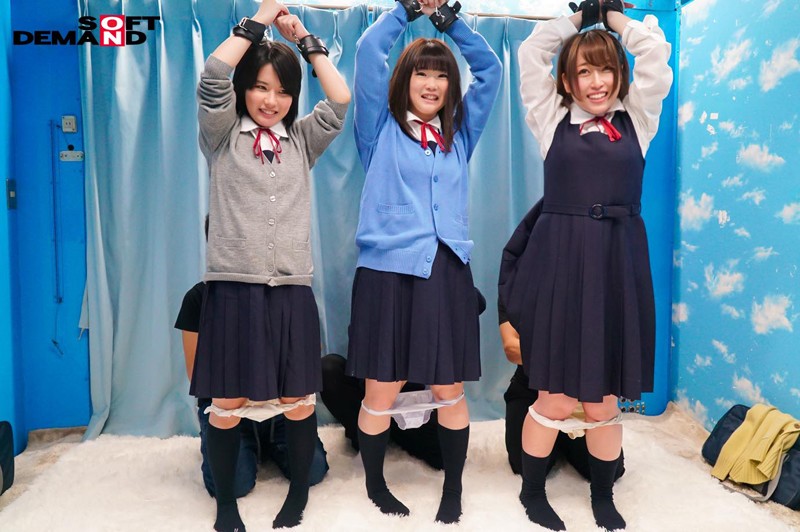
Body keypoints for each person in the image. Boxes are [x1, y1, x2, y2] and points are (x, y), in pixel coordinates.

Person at [503, 0, 672, 529]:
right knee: (553, 399)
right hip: (560, 266)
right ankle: (532, 494)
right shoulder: (550, 119)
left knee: (602, 403)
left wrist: (615, 18)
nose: (596, 83)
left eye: (605, 70)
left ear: (619, 74)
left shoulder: (639, 118)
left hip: (617, 264)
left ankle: (603, 497)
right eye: (583, 72)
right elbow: (532, 52)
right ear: (567, 81)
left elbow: (655, 53)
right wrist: (581, 18)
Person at [189, 0, 350, 529]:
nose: (271, 100)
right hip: (233, 290)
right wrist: (262, 17)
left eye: (282, 91)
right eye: (260, 87)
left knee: (298, 400)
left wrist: (304, 39)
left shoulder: (301, 140)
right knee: (227, 400)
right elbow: (214, 74)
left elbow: (340, 99)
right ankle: (226, 507)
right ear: (244, 90)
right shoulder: (221, 135)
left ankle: (297, 495)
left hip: (291, 291)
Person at [345, 0, 501, 524]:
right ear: (404, 80)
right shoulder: (379, 128)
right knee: (381, 389)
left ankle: (453, 488)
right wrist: (406, 10)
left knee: (449, 388)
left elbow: (491, 70)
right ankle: (375, 485)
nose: (432, 84)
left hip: (447, 273)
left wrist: (450, 23)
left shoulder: (460, 134)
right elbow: (369, 52)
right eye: (421, 73)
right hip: (386, 274)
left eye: (441, 75)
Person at [174, 276, 329, 502]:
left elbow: (308, 363)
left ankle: (266, 445)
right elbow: (196, 374)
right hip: (228, 409)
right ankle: (229, 443)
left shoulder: (289, 292)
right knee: (233, 485)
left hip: (281, 407)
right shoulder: (199, 297)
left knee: (313, 471)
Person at [320, 289, 487, 472]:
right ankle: (367, 435)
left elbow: (476, 301)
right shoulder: (374, 287)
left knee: (446, 456)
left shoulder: (428, 291)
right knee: (329, 369)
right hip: (370, 394)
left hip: (411, 405)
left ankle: (384, 434)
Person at [499, 297, 625, 481]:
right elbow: (512, 349)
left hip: (584, 394)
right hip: (531, 389)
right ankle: (554, 438)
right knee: (525, 467)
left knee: (607, 472)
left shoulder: (596, 289)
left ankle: (563, 439)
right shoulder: (516, 285)